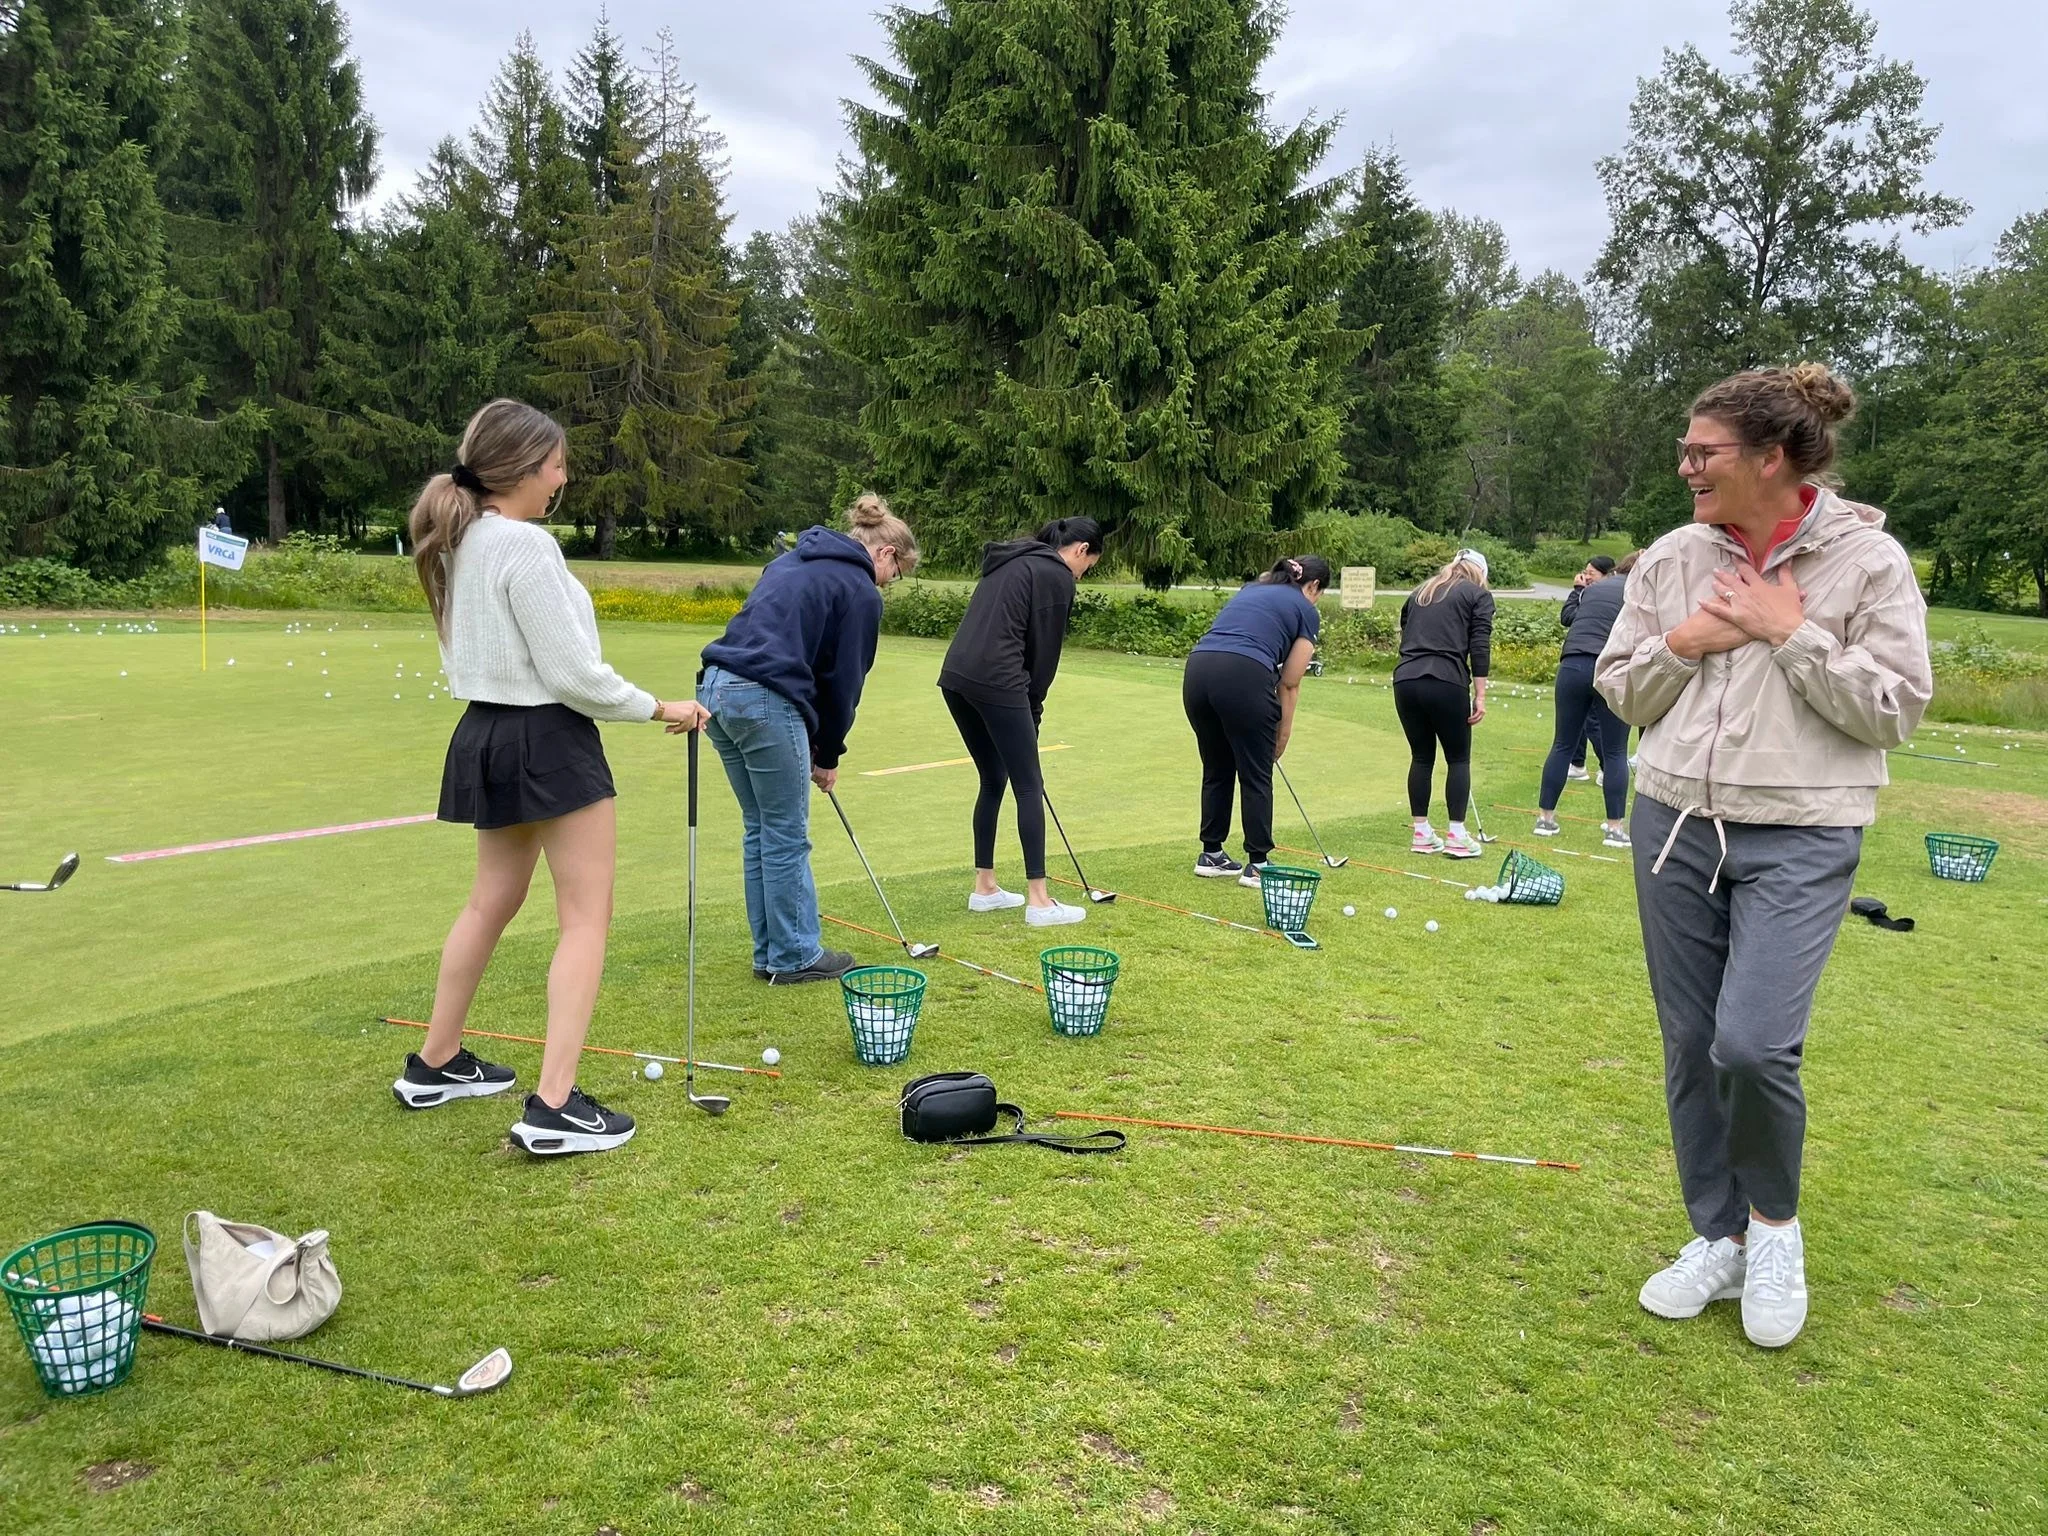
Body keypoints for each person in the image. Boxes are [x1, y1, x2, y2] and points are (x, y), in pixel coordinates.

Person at [1597, 363, 1932, 1349]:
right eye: (1683, 450)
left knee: (1751, 1043)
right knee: (1688, 1044)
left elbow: (1894, 709)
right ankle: (1716, 1234)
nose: (1684, 466)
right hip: (1670, 822)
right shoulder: (1671, 556)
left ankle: (1772, 1228)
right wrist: (1687, 642)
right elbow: (1619, 688)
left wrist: (1791, 635)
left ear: (1769, 457)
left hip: (1804, 825)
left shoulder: (1867, 565)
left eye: (1701, 452)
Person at [393, 398, 708, 1157]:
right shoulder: (525, 548)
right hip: (547, 735)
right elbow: (574, 676)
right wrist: (660, 706)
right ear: (526, 470)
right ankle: (554, 1107)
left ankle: (434, 1064)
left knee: (491, 901)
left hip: (486, 733)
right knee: (585, 919)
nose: (564, 477)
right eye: (558, 464)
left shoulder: (463, 539)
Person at [697, 494, 919, 984]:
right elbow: (844, 680)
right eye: (897, 573)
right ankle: (795, 954)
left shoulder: (790, 560)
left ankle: (770, 954)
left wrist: (817, 745)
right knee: (785, 833)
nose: (890, 583)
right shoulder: (860, 590)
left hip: (715, 689)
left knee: (761, 828)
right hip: (762, 697)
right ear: (885, 555)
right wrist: (829, 752)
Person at [937, 516, 1103, 926]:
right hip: (999, 679)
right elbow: (1042, 655)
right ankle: (1040, 901)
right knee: (1029, 784)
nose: (1083, 574)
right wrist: (1034, 711)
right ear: (1081, 550)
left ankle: (986, 888)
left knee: (994, 778)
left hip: (956, 678)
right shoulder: (1056, 575)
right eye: (1090, 565)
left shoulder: (1010, 561)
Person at [1182, 557, 1328, 885]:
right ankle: (1258, 863)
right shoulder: (1307, 610)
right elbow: (1290, 681)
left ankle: (1212, 853)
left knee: (1217, 768)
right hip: (1242, 675)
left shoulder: (1252, 589)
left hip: (1198, 670)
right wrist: (1282, 735)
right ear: (1314, 586)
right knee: (1256, 773)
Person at [1392, 550, 1494, 858]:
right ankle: (1457, 835)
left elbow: (1405, 632)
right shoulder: (1478, 595)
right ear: (1480, 573)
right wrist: (1480, 695)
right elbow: (1479, 647)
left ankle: (1422, 832)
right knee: (1458, 758)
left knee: (1422, 757)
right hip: (1446, 679)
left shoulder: (1420, 592)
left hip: (1406, 679)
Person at [1535, 558, 1632, 846]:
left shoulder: (1593, 590)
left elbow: (1572, 617)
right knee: (1615, 751)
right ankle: (1614, 829)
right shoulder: (1639, 590)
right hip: (1609, 667)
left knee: (1562, 744)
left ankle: (1545, 819)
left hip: (1573, 664)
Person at [1565, 556, 1617, 781]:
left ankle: (1607, 767)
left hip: (1599, 660)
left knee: (1594, 718)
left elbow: (1570, 616)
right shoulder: (1588, 594)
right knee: (1576, 717)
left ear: (1607, 575)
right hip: (1581, 658)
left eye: (1591, 574)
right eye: (1584, 572)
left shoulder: (1608, 596)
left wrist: (1577, 591)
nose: (1586, 578)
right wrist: (1578, 591)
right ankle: (1577, 764)